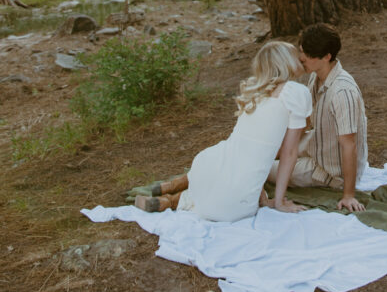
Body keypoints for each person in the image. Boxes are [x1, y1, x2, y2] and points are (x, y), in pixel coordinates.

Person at [134, 40, 311, 220]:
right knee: (229, 191)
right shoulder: (295, 92)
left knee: (219, 173)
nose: (301, 59)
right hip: (234, 206)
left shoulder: (255, 93)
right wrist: (278, 202)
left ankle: (168, 199)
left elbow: (252, 147)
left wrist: (263, 196)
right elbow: (289, 152)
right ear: (286, 61)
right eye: (297, 56)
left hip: (210, 165)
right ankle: (170, 201)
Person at [268, 24, 368, 213]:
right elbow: (305, 122)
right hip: (318, 142)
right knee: (266, 152)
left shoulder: (342, 92)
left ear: (326, 57)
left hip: (329, 170)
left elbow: (349, 145)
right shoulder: (316, 76)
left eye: (307, 54)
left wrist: (348, 195)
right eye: (301, 51)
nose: (301, 58)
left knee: (265, 169)